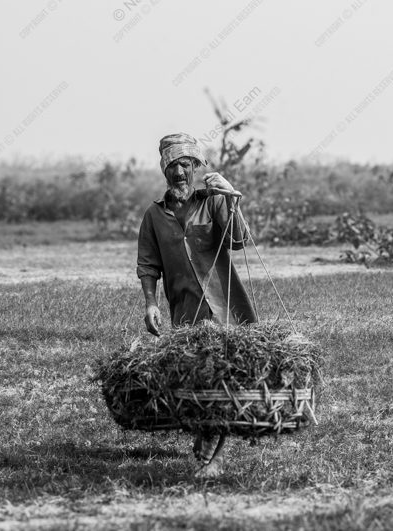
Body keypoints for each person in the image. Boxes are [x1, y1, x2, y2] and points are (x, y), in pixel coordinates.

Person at [136, 132, 257, 477]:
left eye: (186, 165)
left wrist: (232, 198)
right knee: (197, 381)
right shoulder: (154, 216)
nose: (179, 173)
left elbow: (238, 240)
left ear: (196, 167)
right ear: (164, 170)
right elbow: (148, 265)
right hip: (186, 314)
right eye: (173, 166)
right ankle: (206, 436)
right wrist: (150, 304)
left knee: (222, 381)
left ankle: (213, 459)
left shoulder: (214, 201)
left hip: (226, 309)